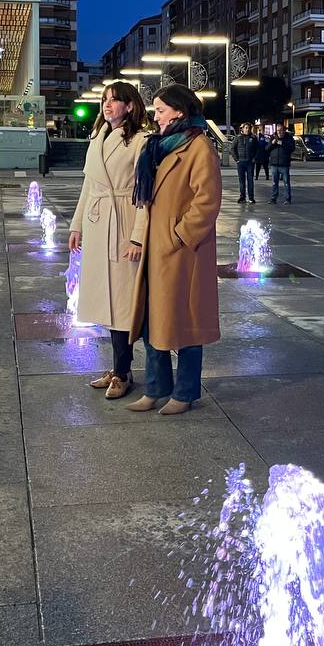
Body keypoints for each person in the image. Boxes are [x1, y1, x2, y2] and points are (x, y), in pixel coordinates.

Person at [125, 84, 221, 416]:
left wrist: (178, 235)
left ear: (179, 111)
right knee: (154, 322)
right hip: (158, 248)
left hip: (183, 253)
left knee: (186, 323)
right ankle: (156, 388)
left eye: (161, 109)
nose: (155, 115)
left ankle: (185, 393)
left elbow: (207, 201)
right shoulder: (159, 146)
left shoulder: (198, 147)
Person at [69, 81, 150, 400]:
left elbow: (145, 193)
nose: (107, 105)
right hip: (98, 222)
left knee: (122, 303)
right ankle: (119, 368)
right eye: (105, 100)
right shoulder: (97, 137)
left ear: (130, 105)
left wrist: (137, 237)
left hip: (123, 221)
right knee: (105, 302)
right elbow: (88, 186)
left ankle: (123, 371)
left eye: (115, 100)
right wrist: (76, 226)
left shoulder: (141, 140)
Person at [268, 124, 295, 204]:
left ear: (284, 131)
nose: (279, 132)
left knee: (286, 182)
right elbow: (267, 149)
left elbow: (292, 148)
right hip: (274, 164)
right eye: (278, 130)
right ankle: (273, 198)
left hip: (284, 164)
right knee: (274, 182)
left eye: (281, 130)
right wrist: (272, 144)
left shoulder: (289, 138)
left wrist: (282, 143)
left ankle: (287, 199)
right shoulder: (272, 137)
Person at [233, 123, 258, 204]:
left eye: (248, 128)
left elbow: (258, 149)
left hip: (250, 163)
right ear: (242, 129)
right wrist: (236, 159)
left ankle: (251, 198)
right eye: (246, 128)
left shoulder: (253, 138)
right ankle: (242, 197)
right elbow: (233, 149)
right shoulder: (238, 137)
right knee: (241, 181)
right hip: (241, 163)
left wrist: (255, 158)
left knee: (250, 180)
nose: (247, 129)